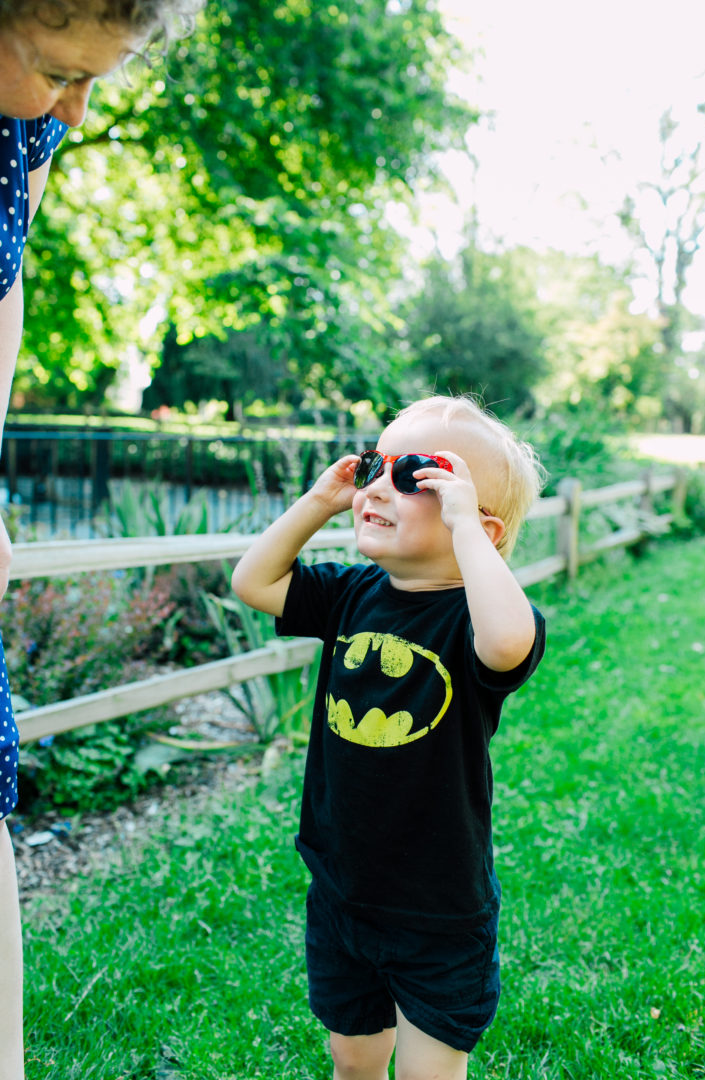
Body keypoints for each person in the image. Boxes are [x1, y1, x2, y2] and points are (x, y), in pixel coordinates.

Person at [0, 2, 202, 1075]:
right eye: (53, 69)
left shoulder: (26, 128)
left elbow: (5, 277)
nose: (75, 110)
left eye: (96, 81)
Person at [232, 394, 547, 1080]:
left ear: (478, 525)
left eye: (416, 476)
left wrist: (467, 531)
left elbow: (508, 642)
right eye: (377, 464)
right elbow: (253, 581)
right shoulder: (352, 593)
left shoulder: (473, 619)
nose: (377, 485)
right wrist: (319, 501)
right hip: (342, 889)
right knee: (353, 1060)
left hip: (438, 912)